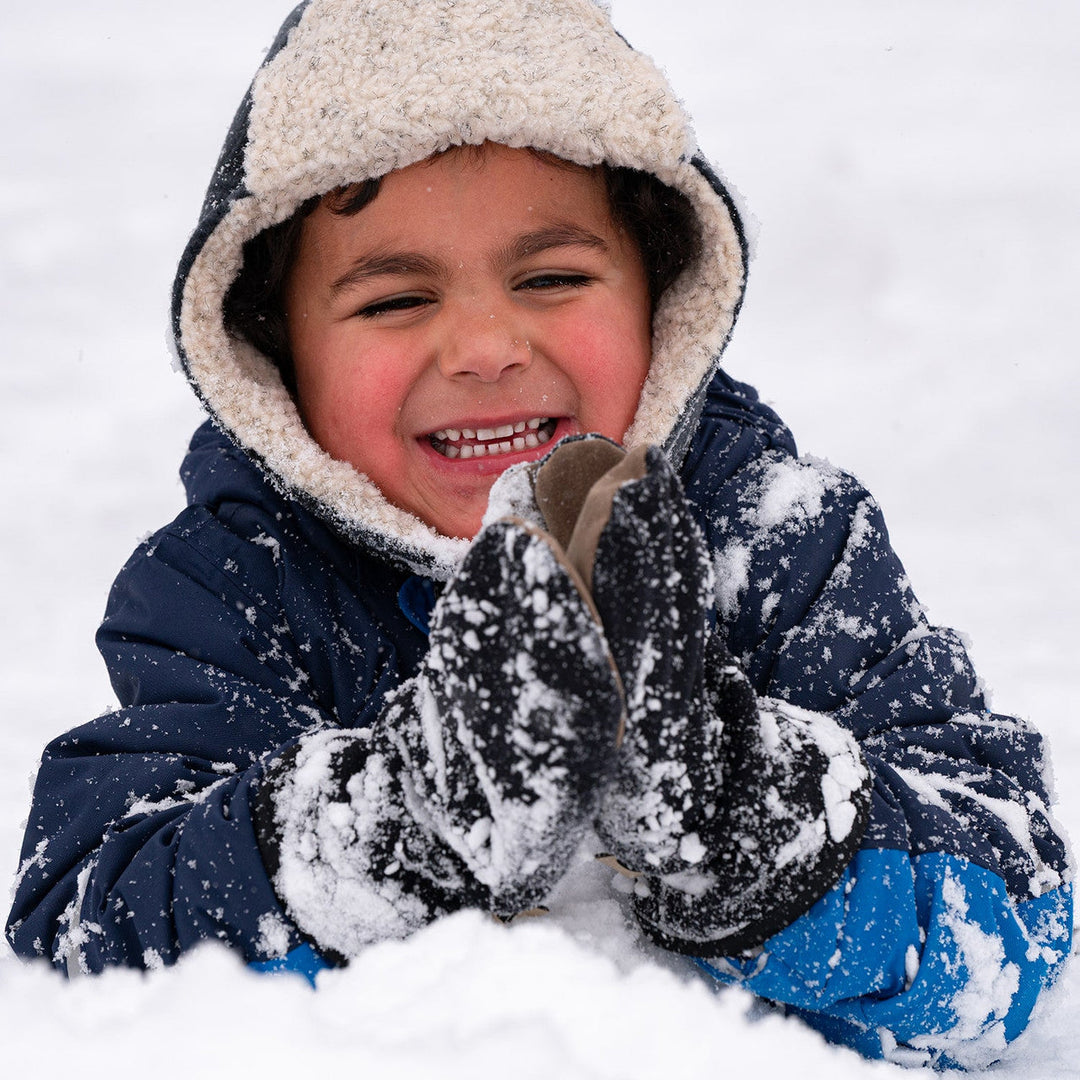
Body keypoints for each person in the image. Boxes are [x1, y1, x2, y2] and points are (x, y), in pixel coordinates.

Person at [6, 0, 1071, 1068]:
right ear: (277, 352)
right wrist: (405, 823)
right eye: (391, 300)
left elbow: (1012, 913)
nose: (482, 346)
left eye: (553, 278)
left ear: (663, 297)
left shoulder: (775, 537)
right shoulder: (235, 589)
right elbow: (87, 940)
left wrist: (744, 818)